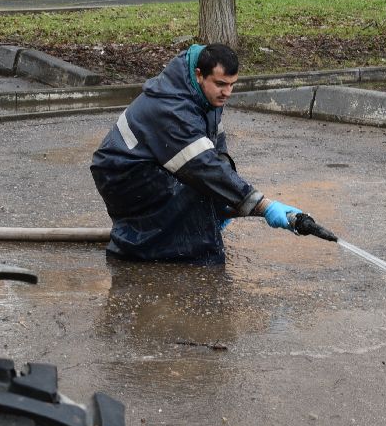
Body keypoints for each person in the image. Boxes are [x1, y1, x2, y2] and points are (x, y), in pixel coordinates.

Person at [90, 43, 307, 265]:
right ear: (199, 74)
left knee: (204, 199)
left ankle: (165, 246)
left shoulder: (205, 92)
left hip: (145, 164)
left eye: (232, 85)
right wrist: (262, 205)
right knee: (193, 205)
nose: (227, 92)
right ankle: (170, 259)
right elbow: (203, 167)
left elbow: (214, 147)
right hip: (122, 175)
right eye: (221, 84)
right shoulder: (172, 108)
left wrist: (224, 200)